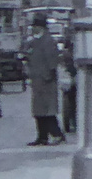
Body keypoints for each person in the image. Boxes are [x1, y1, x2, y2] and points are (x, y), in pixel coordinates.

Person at [23, 16, 64, 145]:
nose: (32, 29)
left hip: (46, 80)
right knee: (39, 111)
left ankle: (56, 134)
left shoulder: (48, 41)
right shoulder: (35, 41)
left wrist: (49, 76)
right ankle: (42, 136)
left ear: (40, 27)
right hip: (38, 80)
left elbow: (52, 60)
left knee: (46, 110)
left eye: (34, 26)